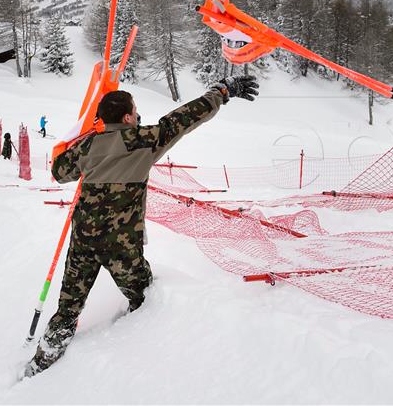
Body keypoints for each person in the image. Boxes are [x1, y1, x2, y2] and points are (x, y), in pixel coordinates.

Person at [24, 75, 259, 378]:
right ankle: (141, 350)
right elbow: (187, 117)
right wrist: (222, 91)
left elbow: (59, 171)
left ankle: (40, 365)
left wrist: (87, 138)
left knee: (68, 310)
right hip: (121, 247)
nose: (137, 115)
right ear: (126, 116)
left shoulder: (88, 147)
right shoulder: (144, 140)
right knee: (146, 297)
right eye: (134, 112)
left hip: (83, 241)